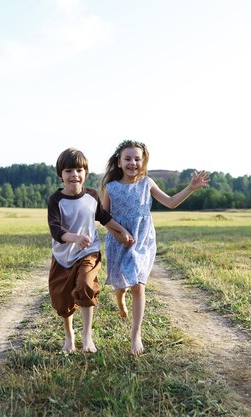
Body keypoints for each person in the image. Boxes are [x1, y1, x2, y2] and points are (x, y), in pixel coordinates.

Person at [100, 140, 210, 355]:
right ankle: (119, 297)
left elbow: (170, 202)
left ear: (143, 162)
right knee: (122, 284)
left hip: (142, 242)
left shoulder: (146, 183)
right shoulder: (111, 188)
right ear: (119, 162)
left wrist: (190, 188)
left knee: (138, 284)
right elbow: (104, 218)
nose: (133, 162)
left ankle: (136, 334)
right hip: (118, 239)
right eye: (128, 158)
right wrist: (120, 235)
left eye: (137, 159)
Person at [47, 147, 133, 353]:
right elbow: (55, 229)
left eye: (79, 170)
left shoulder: (92, 196)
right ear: (61, 175)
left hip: (88, 252)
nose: (74, 175)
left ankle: (87, 336)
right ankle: (69, 337)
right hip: (63, 255)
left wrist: (122, 231)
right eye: (68, 171)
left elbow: (104, 218)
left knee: (86, 285)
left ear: (85, 173)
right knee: (61, 298)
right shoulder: (56, 200)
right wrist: (74, 238)